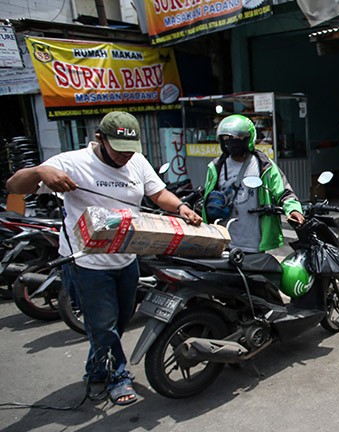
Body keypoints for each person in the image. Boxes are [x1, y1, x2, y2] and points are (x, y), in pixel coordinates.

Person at [6, 111, 202, 405]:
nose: (125, 157)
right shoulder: (71, 162)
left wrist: (181, 207)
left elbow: (158, 193)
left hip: (125, 259)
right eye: (118, 150)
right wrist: (38, 172)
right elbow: (14, 186)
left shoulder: (136, 161)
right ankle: (118, 377)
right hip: (87, 264)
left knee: (119, 321)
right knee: (103, 325)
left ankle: (97, 370)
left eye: (129, 151)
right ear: (100, 139)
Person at [202, 114, 303, 252]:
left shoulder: (264, 166)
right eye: (226, 138)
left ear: (248, 138)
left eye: (236, 138)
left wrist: (293, 210)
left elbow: (284, 192)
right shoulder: (216, 167)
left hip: (255, 242)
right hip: (224, 240)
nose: (231, 142)